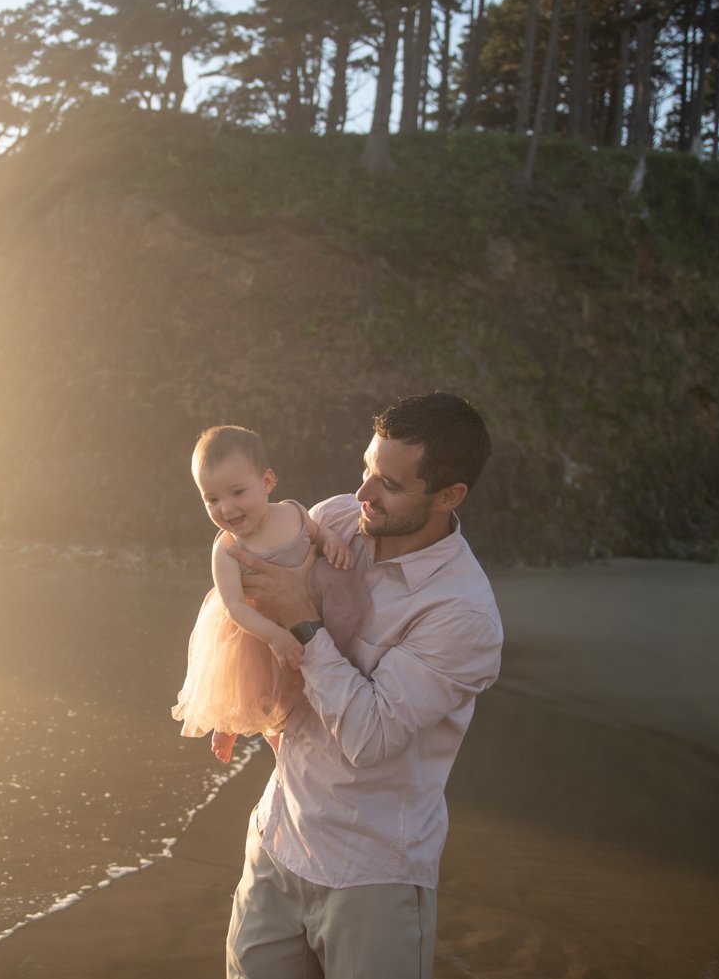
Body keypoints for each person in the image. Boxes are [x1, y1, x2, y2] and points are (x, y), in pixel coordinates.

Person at [223, 392, 503, 979]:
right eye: (367, 468)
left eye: (391, 485)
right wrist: (233, 699)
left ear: (449, 496)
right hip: (277, 841)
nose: (363, 494)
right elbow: (249, 600)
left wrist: (305, 620)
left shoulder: (462, 614)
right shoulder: (334, 521)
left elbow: (370, 736)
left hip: (372, 874)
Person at [172, 425, 372, 764]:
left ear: (267, 482)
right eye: (212, 498)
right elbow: (234, 605)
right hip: (259, 632)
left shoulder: (293, 513)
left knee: (309, 681)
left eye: (237, 492)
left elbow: (318, 533)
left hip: (312, 605)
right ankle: (235, 726)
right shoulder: (228, 548)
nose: (227, 508)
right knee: (260, 693)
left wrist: (333, 543)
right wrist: (275, 636)